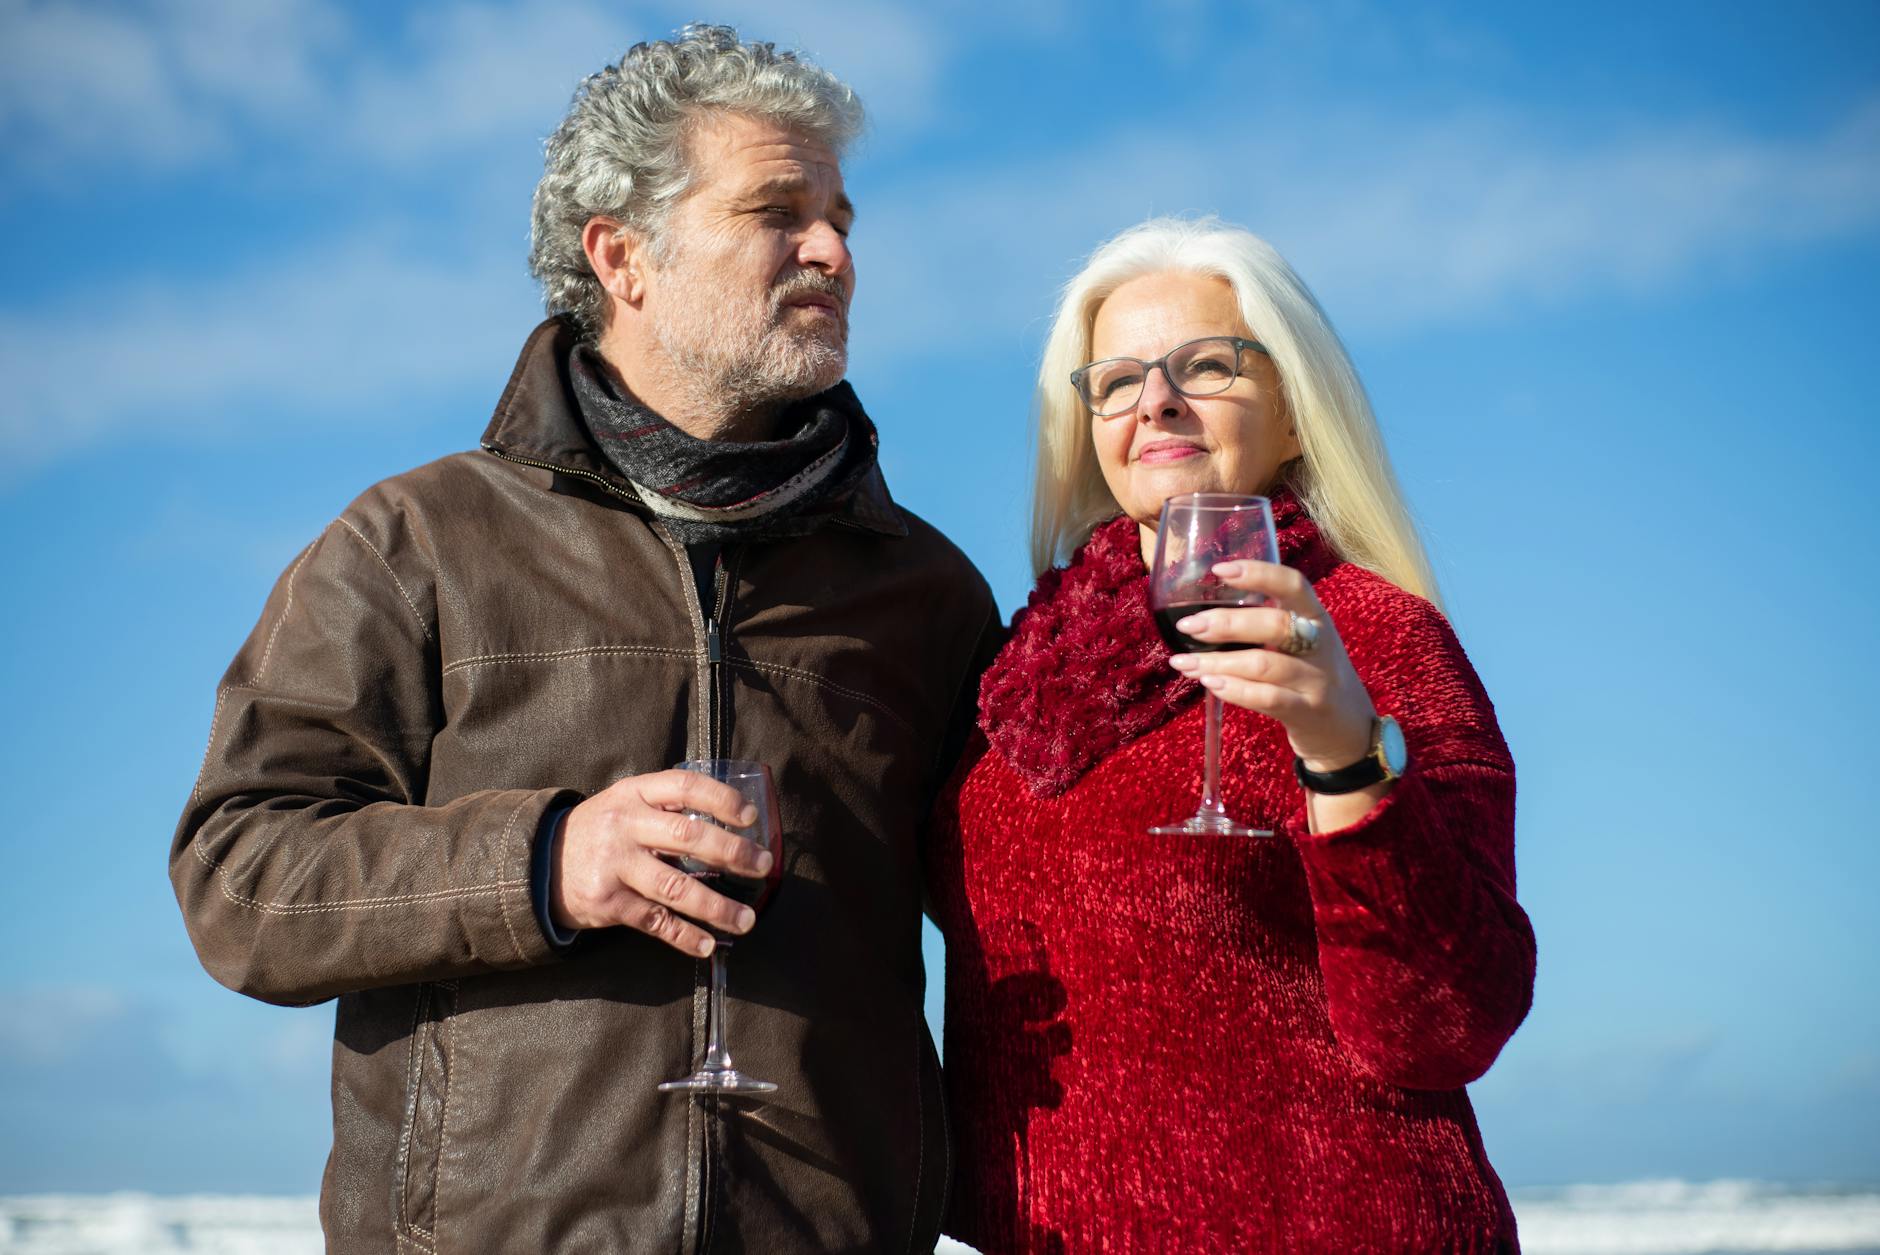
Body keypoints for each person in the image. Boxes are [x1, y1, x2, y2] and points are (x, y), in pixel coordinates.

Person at [170, 26, 997, 1253]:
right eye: (779, 211)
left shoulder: (924, 589)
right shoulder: (418, 540)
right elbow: (238, 879)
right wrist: (545, 861)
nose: (832, 252)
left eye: (840, 218)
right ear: (623, 256)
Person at [927, 217, 1536, 1252]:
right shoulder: (1016, 671)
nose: (1154, 398)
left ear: (1295, 413)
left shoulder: (1378, 635)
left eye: (1205, 365)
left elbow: (1448, 1023)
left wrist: (1343, 750)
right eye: (1114, 379)